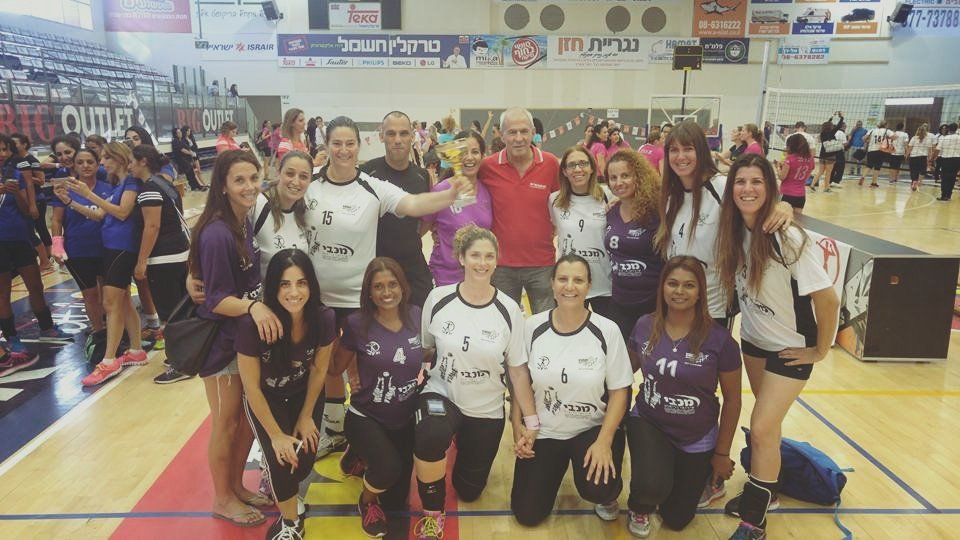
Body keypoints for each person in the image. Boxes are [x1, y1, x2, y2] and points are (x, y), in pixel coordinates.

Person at [304, 116, 471, 458]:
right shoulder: (310, 184)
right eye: (337, 143)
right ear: (327, 146)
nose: (343, 150)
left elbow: (414, 204)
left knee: (359, 368)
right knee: (325, 366)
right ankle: (333, 428)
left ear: (359, 145)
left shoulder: (372, 186)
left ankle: (361, 429)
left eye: (350, 143)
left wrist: (450, 194)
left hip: (358, 298)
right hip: (317, 298)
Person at [715, 154, 839, 540]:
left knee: (762, 427)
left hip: (790, 350)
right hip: (754, 342)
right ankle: (766, 491)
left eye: (757, 181)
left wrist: (820, 350)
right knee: (768, 427)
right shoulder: (734, 229)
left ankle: (754, 522)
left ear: (770, 188)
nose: (747, 189)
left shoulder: (788, 236)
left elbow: (828, 299)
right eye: (740, 181)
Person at [187, 150, 283, 528]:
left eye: (253, 178)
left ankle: (236, 487)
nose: (249, 187)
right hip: (220, 343)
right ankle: (222, 498)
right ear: (223, 186)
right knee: (226, 423)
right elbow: (214, 299)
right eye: (239, 180)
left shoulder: (242, 222)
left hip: (242, 339)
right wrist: (254, 307)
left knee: (244, 421)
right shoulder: (217, 233)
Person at [414, 225, 525, 540]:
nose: (482, 262)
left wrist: (526, 420)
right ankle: (433, 513)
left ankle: (460, 437)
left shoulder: (510, 309)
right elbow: (425, 349)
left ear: (497, 260)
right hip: (442, 392)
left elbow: (517, 370)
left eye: (489, 256)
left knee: (469, 490)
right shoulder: (438, 298)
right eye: (475, 255)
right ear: (461, 258)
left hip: (485, 406)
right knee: (431, 433)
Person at [507, 254, 631, 527]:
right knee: (527, 514)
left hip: (590, 430)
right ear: (552, 284)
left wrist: (604, 441)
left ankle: (608, 492)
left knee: (597, 488)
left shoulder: (607, 330)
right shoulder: (532, 327)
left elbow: (620, 392)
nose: (570, 286)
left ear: (589, 286)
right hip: (544, 431)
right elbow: (520, 381)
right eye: (563, 279)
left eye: (578, 280)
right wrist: (518, 425)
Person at [625, 255, 742, 537]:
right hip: (649, 420)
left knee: (677, 518)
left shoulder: (720, 340)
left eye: (689, 285)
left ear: (700, 291)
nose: (679, 291)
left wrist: (722, 454)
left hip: (696, 433)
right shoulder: (644, 325)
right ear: (662, 287)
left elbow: (733, 401)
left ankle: (700, 477)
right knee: (651, 487)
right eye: (673, 283)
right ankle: (639, 507)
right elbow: (623, 374)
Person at [238, 249, 336, 540]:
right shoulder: (252, 326)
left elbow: (319, 369)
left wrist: (306, 416)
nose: (294, 292)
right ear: (273, 287)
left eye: (301, 283)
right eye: (285, 284)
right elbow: (252, 388)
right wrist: (276, 436)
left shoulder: (324, 317)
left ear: (311, 285)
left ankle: (277, 475)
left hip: (303, 394)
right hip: (266, 398)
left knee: (303, 462)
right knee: (283, 460)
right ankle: (291, 524)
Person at [656, 122, 792, 328]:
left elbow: (758, 202)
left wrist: (784, 206)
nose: (680, 156)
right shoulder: (670, 195)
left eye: (688, 149)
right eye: (674, 150)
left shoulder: (722, 187)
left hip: (713, 308)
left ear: (701, 151)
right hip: (677, 305)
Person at [331, 258, 424, 537]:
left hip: (403, 418)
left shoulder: (418, 316)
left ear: (402, 286)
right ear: (369, 293)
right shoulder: (357, 324)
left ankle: (358, 455)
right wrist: (328, 341)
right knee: (386, 470)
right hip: (365, 417)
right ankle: (367, 501)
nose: (386, 292)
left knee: (396, 499)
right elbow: (334, 368)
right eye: (378, 286)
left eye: (392, 284)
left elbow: (428, 351)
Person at [71, 142, 146, 386]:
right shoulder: (117, 185)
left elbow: (123, 212)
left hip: (123, 247)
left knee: (110, 302)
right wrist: (71, 202)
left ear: (120, 158)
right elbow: (100, 215)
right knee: (123, 301)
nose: (102, 163)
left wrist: (89, 194)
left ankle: (109, 360)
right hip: (112, 246)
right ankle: (136, 350)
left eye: (106, 158)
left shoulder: (131, 183)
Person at [479, 107, 560, 314]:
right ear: (501, 135)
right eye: (512, 132)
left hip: (542, 264)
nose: (518, 138)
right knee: (504, 324)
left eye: (524, 131)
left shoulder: (551, 163)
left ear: (533, 132)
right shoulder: (487, 167)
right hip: (501, 265)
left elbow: (566, 203)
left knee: (545, 324)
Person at [131, 145, 192, 385]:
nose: (129, 166)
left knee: (168, 314)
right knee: (181, 309)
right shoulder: (165, 182)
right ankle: (186, 356)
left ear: (143, 161)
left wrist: (141, 262)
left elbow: (152, 226)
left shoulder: (149, 189)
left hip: (163, 257)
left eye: (132, 161)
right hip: (180, 253)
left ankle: (181, 364)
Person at [361, 111, 434, 307]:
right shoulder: (367, 173)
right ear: (381, 136)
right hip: (378, 266)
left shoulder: (422, 176)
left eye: (403, 133)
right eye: (391, 134)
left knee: (421, 316)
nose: (398, 140)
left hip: (413, 265)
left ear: (412, 136)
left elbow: (427, 220)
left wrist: (408, 237)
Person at [0, 133, 53, 374]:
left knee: (36, 285)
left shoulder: (15, 174)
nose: (1, 154)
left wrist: (17, 193)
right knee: (3, 293)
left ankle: (47, 327)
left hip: (20, 238)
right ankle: (12, 338)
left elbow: (26, 210)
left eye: (4, 149)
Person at [50, 145, 109, 339]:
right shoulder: (64, 191)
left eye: (90, 162)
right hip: (78, 251)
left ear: (98, 164)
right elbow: (56, 220)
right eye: (80, 162)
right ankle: (99, 333)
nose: (85, 166)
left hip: (107, 248)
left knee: (110, 295)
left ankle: (115, 329)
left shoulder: (107, 188)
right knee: (90, 294)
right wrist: (57, 245)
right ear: (74, 166)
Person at [605, 150, 664, 341]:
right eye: (613, 178)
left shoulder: (657, 210)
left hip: (652, 304)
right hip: (619, 302)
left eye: (625, 175)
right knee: (620, 357)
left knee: (650, 357)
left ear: (638, 176)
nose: (619, 182)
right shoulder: (611, 212)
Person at [421, 131, 492, 287]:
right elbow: (419, 232)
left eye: (475, 152)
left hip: (478, 279)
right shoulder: (441, 191)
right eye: (463, 152)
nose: (469, 157)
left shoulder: (487, 190)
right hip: (445, 279)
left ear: (482, 156)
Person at [549, 148, 612, 317]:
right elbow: (554, 229)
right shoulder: (554, 200)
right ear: (564, 171)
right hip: (570, 284)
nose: (577, 169)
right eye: (571, 165)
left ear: (592, 168)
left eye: (583, 163)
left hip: (603, 283)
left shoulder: (608, 195)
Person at [8, 133, 50, 270]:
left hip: (36, 199)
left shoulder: (28, 160)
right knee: (29, 231)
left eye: (15, 143)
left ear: (24, 144)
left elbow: (39, 181)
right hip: (17, 202)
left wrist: (32, 204)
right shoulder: (11, 161)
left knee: (37, 229)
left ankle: (47, 258)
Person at [773, 132, 815, 215]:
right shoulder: (811, 159)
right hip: (801, 196)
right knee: (797, 220)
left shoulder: (790, 159)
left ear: (791, 146)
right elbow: (807, 175)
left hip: (787, 194)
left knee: (782, 218)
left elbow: (782, 177)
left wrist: (777, 167)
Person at [811, 113, 843, 193]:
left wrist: (832, 116)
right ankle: (826, 188)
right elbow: (839, 126)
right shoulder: (832, 132)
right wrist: (842, 117)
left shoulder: (822, 133)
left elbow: (827, 124)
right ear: (831, 127)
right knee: (828, 173)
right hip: (830, 155)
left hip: (822, 155)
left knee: (820, 171)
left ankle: (812, 185)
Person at [931, 123, 960, 202]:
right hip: (957, 159)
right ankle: (949, 195)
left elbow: (937, 150)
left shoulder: (944, 138)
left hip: (946, 159)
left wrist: (932, 158)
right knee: (952, 177)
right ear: (956, 128)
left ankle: (944, 195)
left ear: (948, 129)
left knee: (944, 177)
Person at [861, 120, 893, 188]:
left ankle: (863, 177)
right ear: (886, 125)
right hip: (880, 150)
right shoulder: (887, 131)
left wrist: (868, 141)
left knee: (869, 165)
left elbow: (863, 138)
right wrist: (887, 138)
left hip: (871, 150)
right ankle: (874, 183)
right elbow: (895, 137)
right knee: (877, 167)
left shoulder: (872, 130)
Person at [171, 127, 204, 191]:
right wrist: (191, 153)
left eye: (180, 132)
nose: (180, 133)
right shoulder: (175, 141)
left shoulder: (181, 141)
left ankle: (197, 186)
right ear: (175, 134)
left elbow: (188, 148)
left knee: (191, 172)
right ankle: (196, 186)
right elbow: (183, 150)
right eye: (178, 132)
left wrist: (192, 153)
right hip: (181, 160)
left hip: (186, 159)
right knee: (190, 172)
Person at [906, 123, 935, 192]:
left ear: (918, 131)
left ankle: (914, 181)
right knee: (922, 171)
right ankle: (919, 182)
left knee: (913, 171)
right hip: (923, 157)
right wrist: (930, 159)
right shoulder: (928, 139)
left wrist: (907, 155)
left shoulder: (914, 138)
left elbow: (910, 148)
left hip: (913, 157)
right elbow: (930, 151)